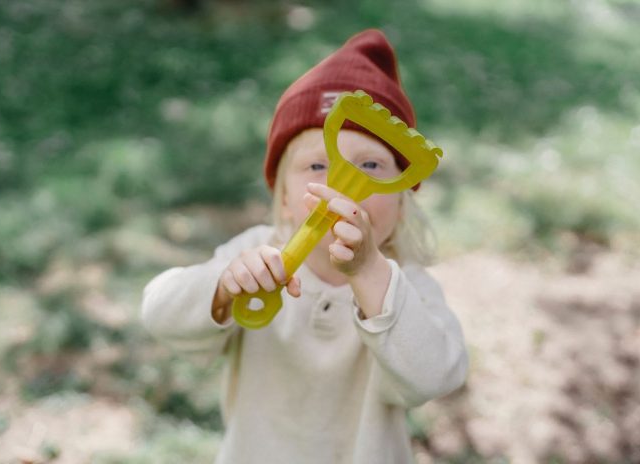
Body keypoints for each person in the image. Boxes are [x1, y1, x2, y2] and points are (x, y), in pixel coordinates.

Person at [141, 29, 468, 464]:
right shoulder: (256, 254)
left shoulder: (404, 287)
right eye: (317, 165)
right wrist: (221, 288)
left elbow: (433, 378)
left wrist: (370, 273)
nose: (341, 185)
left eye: (370, 166)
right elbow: (158, 313)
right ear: (285, 199)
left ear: (402, 204)